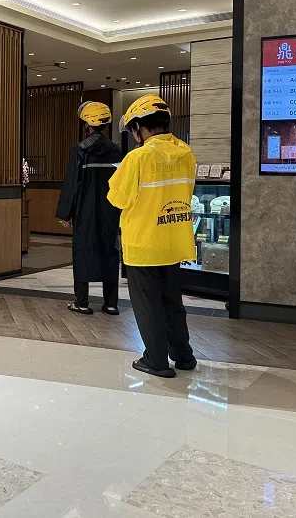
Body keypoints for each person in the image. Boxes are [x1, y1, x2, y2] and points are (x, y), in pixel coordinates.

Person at [108, 94, 197, 379]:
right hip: (174, 240)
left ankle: (156, 360)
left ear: (138, 128)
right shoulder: (186, 153)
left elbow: (117, 198)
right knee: (172, 301)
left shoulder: (138, 157)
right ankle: (183, 356)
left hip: (143, 243)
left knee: (148, 305)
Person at [56, 101, 124, 315]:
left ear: (86, 124)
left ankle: (82, 301)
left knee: (83, 253)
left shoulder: (80, 150)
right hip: (111, 211)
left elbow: (72, 183)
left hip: (85, 212)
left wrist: (65, 213)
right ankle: (111, 303)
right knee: (110, 253)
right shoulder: (116, 150)